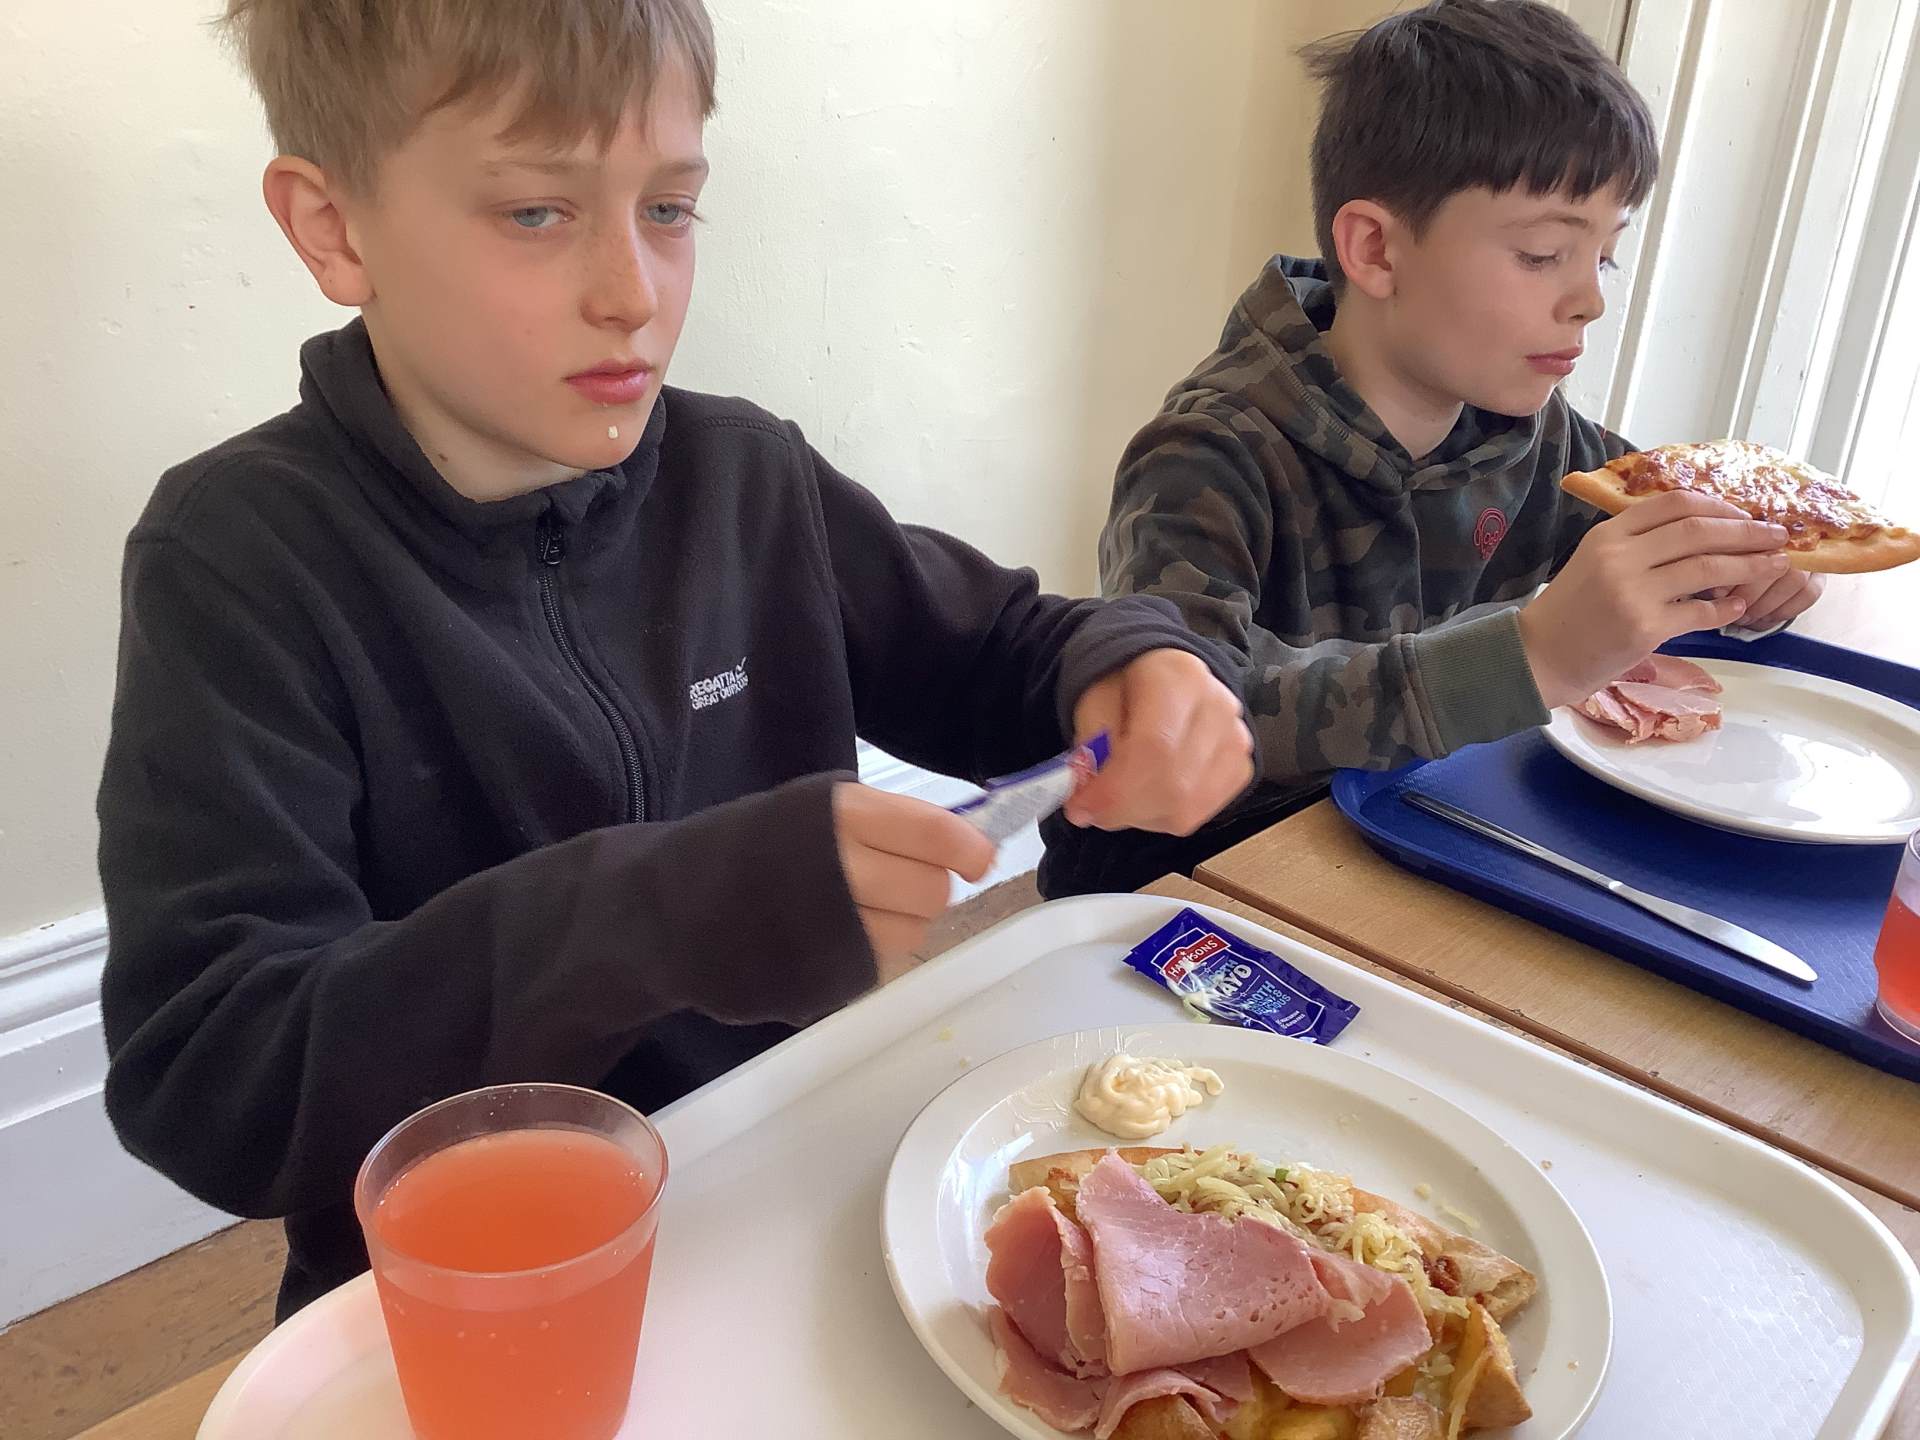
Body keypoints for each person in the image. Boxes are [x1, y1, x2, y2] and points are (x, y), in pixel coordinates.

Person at [97, 0, 1253, 1318]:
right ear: (334, 229)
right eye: (537, 212)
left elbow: (1000, 652)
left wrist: (1129, 665)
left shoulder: (744, 477)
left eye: (669, 209)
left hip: (791, 1197)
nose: (633, 294)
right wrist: (656, 915)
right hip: (472, 1297)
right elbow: (219, 1079)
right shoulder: (241, 557)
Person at [1040, 0, 1821, 898]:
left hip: (1407, 839)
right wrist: (1533, 656)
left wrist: (1740, 581)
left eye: (1603, 257)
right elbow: (1184, 725)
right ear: (1375, 249)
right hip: (1178, 885)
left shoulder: (1534, 433)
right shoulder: (1209, 457)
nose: (1590, 301)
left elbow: (1659, 553)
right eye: (1543, 254)